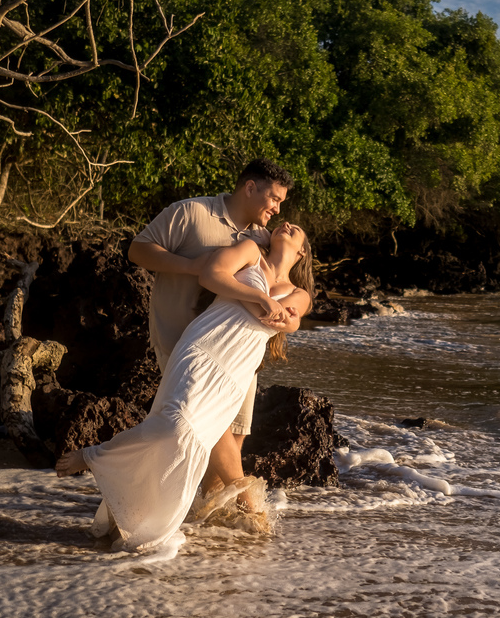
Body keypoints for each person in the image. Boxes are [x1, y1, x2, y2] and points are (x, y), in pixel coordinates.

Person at [56, 223, 314, 552]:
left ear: (302, 252)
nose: (287, 224)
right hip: (205, 345)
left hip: (236, 369)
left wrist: (268, 307)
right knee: (172, 423)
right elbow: (211, 276)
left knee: (190, 441)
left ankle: (138, 518)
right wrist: (262, 298)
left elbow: (290, 321)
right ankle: (93, 456)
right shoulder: (250, 253)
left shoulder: (300, 291)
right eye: (284, 221)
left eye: (296, 231)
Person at [127, 159, 295, 511]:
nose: (278, 209)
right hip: (181, 339)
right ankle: (250, 508)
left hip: (235, 351)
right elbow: (138, 250)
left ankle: (209, 514)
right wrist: (190, 265)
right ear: (250, 188)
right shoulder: (192, 212)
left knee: (234, 432)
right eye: (274, 199)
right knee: (210, 424)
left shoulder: (259, 238)